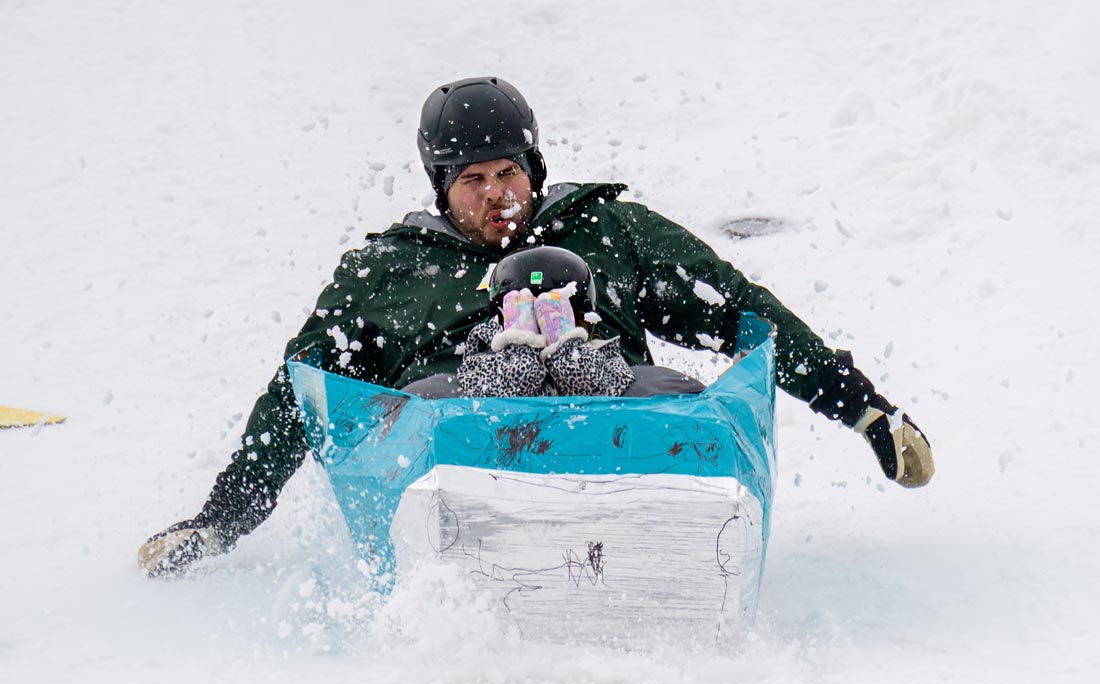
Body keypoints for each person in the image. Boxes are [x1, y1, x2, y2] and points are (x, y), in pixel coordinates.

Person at [137, 76, 935, 577]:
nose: (498, 196)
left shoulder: (609, 231)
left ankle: (675, 531)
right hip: (466, 440)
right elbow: (300, 389)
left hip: (618, 426)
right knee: (423, 396)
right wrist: (223, 517)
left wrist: (861, 407)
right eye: (474, 181)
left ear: (536, 169)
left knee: (685, 390)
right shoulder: (390, 270)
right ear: (442, 189)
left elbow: (738, 309)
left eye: (510, 172)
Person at [455, 246, 636, 398]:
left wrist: (565, 344)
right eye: (529, 312)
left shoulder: (607, 361)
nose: (540, 326)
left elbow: (595, 392)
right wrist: (520, 343)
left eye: (554, 312)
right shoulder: (481, 365)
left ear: (584, 321)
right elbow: (503, 398)